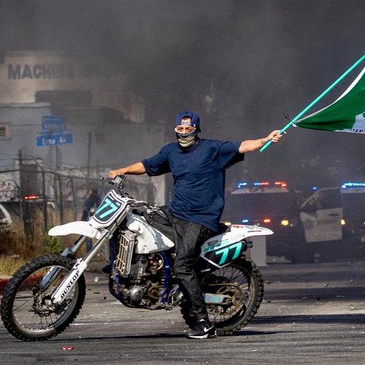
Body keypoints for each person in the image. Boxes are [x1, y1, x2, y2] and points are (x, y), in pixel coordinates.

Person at [108, 110, 282, 339]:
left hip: (201, 218)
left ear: (196, 129)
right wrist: (122, 171)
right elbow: (147, 165)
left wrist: (265, 140)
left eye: (187, 129)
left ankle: (204, 323)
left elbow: (242, 146)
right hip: (174, 213)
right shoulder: (171, 151)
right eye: (179, 129)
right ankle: (148, 274)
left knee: (183, 265)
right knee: (136, 220)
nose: (183, 133)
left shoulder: (212, 149)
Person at [80, 187, 100, 255]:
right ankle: (93, 252)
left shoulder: (92, 198)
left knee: (88, 236)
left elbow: (86, 208)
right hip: (95, 219)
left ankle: (90, 252)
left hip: (90, 219)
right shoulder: (98, 198)